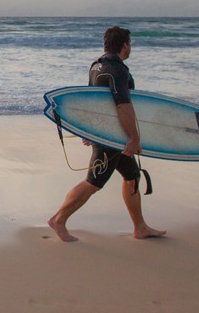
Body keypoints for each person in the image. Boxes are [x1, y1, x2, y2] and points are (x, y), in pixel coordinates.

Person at [47, 26, 166, 242]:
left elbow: (92, 102)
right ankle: (58, 219)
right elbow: (123, 105)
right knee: (94, 182)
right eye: (130, 44)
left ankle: (140, 227)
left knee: (132, 177)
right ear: (125, 45)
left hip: (108, 134)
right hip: (112, 138)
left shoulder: (96, 67)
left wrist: (89, 130)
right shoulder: (119, 70)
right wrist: (134, 138)